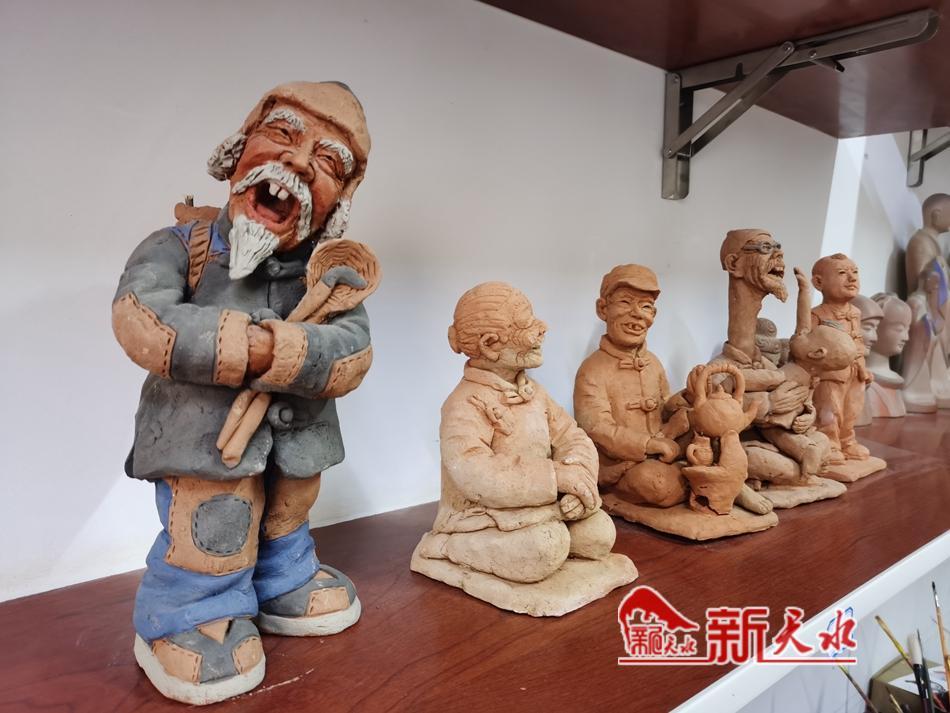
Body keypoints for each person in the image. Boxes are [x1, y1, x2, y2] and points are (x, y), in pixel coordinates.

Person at [112, 82, 373, 704]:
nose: (298, 162)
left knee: (289, 512)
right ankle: (189, 612)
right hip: (202, 445)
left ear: (339, 200)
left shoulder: (328, 274)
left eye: (329, 161)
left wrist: (290, 351)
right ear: (238, 150)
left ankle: (283, 580)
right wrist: (246, 347)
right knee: (214, 525)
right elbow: (140, 318)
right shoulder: (181, 247)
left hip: (297, 441)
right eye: (283, 133)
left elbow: (353, 350)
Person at [412, 282, 632, 614]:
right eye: (527, 323)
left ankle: (549, 535)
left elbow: (572, 437)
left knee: (599, 534)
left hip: (545, 507)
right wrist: (556, 478)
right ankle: (446, 547)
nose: (543, 328)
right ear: (490, 344)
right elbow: (476, 473)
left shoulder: (535, 393)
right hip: (485, 518)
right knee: (545, 548)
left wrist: (578, 483)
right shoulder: (463, 404)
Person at [573, 264, 689, 508]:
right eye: (625, 302)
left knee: (711, 430)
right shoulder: (592, 369)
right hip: (622, 463)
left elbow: (663, 407)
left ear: (653, 315)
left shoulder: (653, 363)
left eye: (646, 306)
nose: (637, 314)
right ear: (603, 309)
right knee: (657, 485)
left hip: (662, 447)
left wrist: (686, 398)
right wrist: (647, 445)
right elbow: (597, 428)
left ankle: (710, 481)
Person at [810, 254, 871, 462]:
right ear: (819, 282)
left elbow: (858, 339)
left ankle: (847, 441)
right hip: (830, 374)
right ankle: (830, 444)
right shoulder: (817, 315)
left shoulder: (856, 313)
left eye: (855, 272)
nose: (852, 278)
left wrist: (863, 367)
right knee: (830, 409)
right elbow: (806, 344)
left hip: (855, 371)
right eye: (842, 273)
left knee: (852, 408)